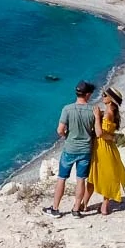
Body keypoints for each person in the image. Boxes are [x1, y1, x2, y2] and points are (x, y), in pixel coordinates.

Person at [44, 81, 96, 218]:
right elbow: (96, 131)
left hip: (70, 149)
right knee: (81, 180)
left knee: (61, 178)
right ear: (88, 94)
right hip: (85, 150)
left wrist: (67, 135)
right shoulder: (93, 110)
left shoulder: (67, 109)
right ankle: (76, 210)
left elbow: (60, 130)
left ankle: (55, 209)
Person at [87, 86, 125, 215]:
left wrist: (97, 117)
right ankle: (104, 205)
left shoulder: (108, 114)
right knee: (106, 176)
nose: (103, 95)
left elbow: (99, 133)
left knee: (94, 176)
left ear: (111, 100)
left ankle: (85, 204)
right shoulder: (112, 112)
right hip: (108, 147)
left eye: (105, 95)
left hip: (102, 148)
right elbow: (108, 133)